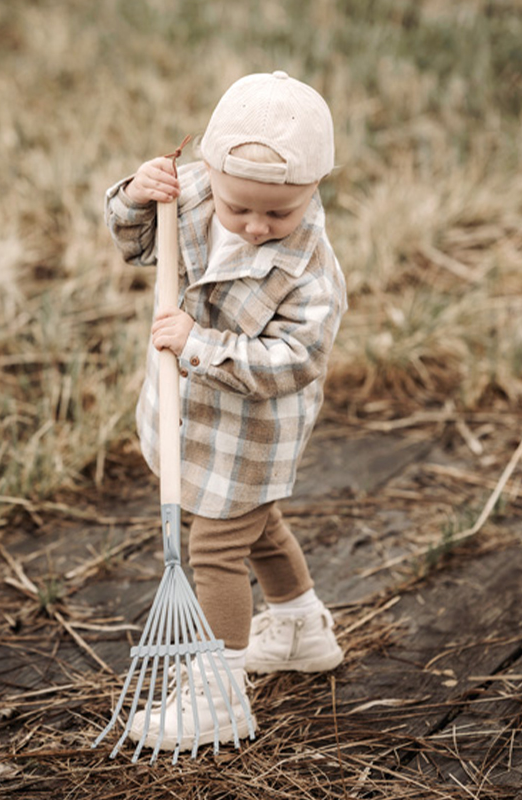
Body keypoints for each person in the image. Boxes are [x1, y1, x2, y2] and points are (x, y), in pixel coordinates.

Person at [105, 70, 347, 751]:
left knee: (214, 548)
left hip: (249, 434)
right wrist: (135, 196)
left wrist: (202, 346)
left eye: (281, 212)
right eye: (240, 207)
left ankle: (219, 693)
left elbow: (294, 361)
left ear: (315, 189)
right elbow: (135, 244)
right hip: (185, 420)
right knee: (259, 525)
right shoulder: (194, 199)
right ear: (209, 170)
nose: (256, 224)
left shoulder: (310, 273)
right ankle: (300, 630)